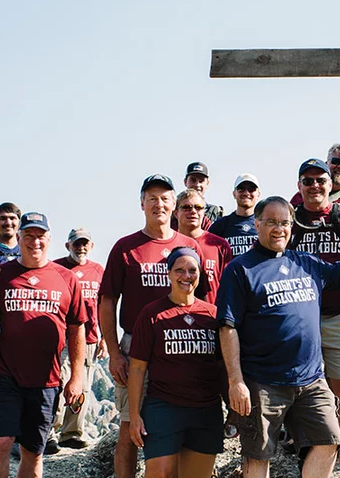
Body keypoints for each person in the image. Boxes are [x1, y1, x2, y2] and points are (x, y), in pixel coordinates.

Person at [217, 196, 340, 478]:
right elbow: (227, 327)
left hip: (311, 380)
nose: (279, 228)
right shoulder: (240, 269)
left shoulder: (306, 262)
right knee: (258, 456)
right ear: (257, 224)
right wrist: (236, 381)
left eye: (284, 222)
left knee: (330, 441)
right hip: (263, 382)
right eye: (271, 222)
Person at [98, 174, 207, 478]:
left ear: (174, 204)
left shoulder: (189, 246)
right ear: (142, 204)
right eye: (152, 198)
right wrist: (114, 352)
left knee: (178, 423)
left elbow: (205, 298)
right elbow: (107, 302)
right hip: (135, 347)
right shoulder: (125, 247)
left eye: (164, 198)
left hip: (184, 342)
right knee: (128, 426)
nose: (158, 203)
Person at [0, 212, 88, 478]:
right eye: (28, 236)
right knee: (1, 443)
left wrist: (76, 377)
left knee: (33, 451)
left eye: (40, 236)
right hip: (4, 375)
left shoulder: (67, 278)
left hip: (46, 380)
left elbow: (77, 330)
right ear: (18, 238)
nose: (34, 242)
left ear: (49, 239)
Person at [291, 158, 340, 478]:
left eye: (320, 180)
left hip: (337, 313)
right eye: (307, 181)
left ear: (330, 183)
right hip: (298, 317)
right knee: (300, 387)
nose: (314, 186)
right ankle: (305, 447)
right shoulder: (291, 219)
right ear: (299, 186)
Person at [128, 247, 226, 478]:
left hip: (205, 410)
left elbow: (223, 366)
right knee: (159, 474)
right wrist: (134, 416)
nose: (186, 276)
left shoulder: (212, 314)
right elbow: (137, 367)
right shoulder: (152, 314)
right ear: (169, 273)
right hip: (164, 407)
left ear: (200, 274)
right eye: (179, 270)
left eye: (192, 270)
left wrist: (231, 410)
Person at [49, 228, 105, 451]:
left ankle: (72, 433)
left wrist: (104, 339)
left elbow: (104, 305)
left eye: (85, 244)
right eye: (76, 244)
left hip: (89, 337)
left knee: (83, 386)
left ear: (91, 246)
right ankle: (50, 432)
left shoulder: (98, 270)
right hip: (62, 337)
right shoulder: (56, 268)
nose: (80, 248)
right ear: (67, 246)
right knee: (57, 383)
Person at [175, 189, 233, 305]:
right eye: (186, 207)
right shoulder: (168, 244)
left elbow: (230, 288)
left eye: (198, 207)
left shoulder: (220, 245)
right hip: (173, 318)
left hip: (210, 316)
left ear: (204, 212)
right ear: (176, 213)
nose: (192, 211)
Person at [209, 174, 261, 257]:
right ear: (234, 194)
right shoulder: (220, 225)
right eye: (241, 189)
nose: (246, 193)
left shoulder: (264, 225)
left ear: (258, 194)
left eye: (251, 189)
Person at [171, 162, 223, 231]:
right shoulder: (172, 207)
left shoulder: (214, 211)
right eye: (193, 180)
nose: (197, 184)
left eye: (201, 181)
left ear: (207, 183)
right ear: (185, 182)